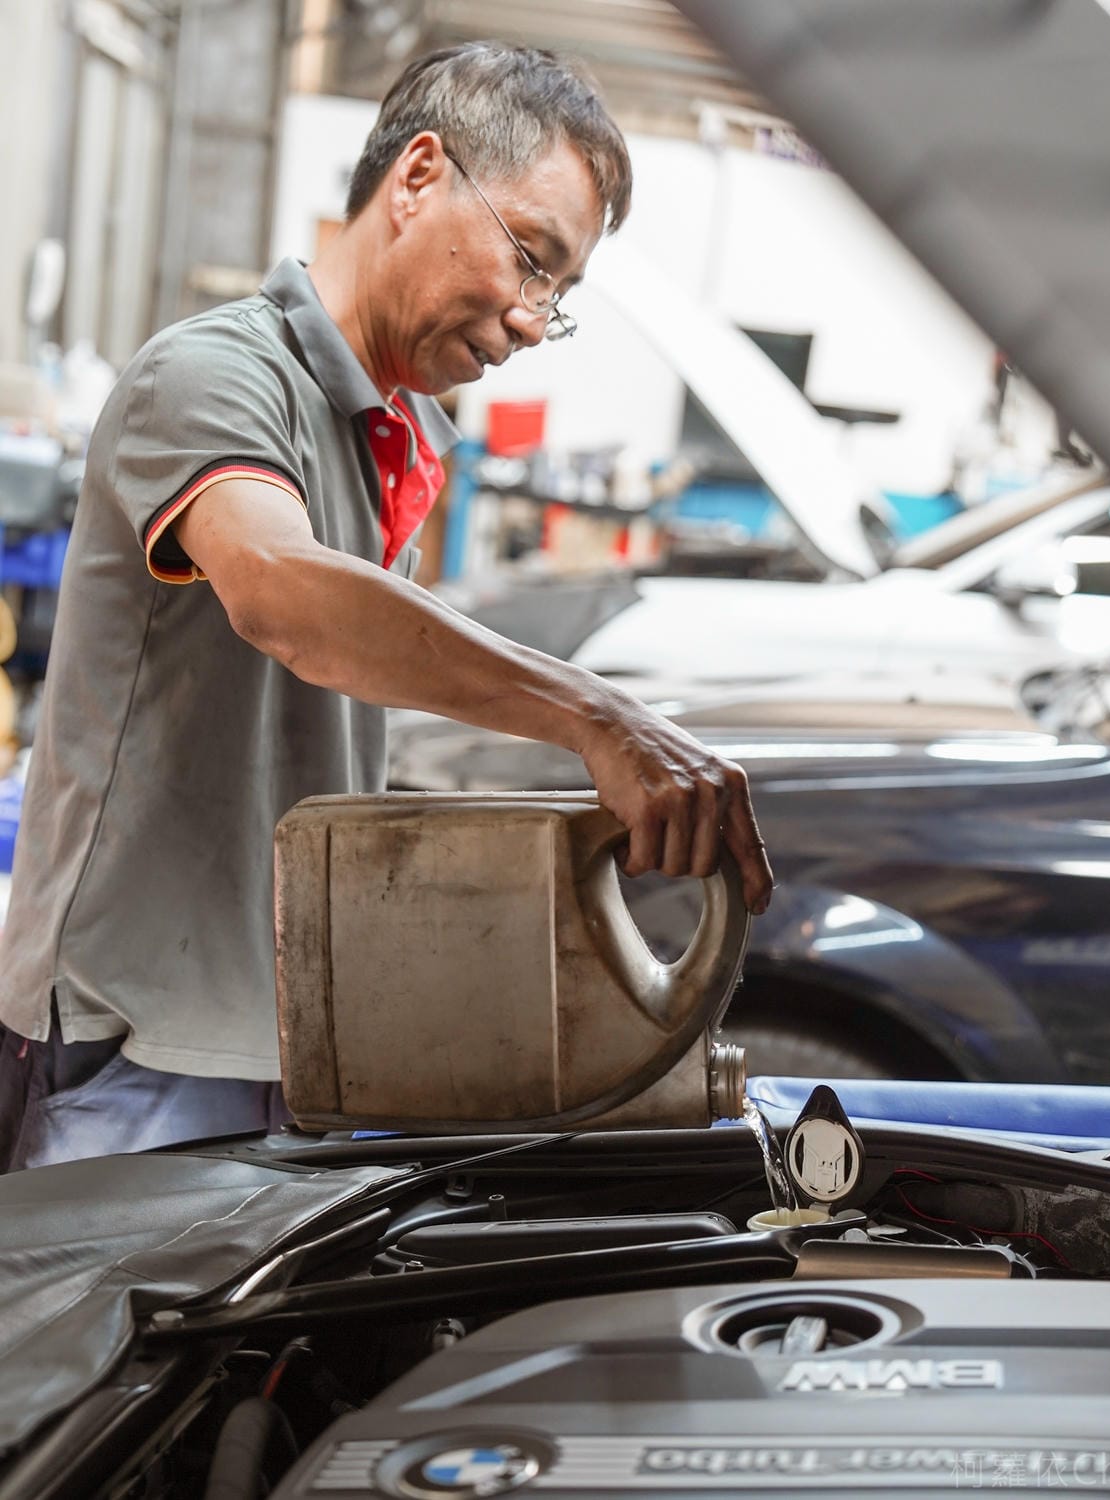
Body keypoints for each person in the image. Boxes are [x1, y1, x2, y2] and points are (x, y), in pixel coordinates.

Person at [0, 42, 772, 1172]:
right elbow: (283, 596)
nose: (526, 315)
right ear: (418, 176)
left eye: (556, 296)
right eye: (529, 256)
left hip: (277, 1046)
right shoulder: (216, 374)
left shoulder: (390, 434)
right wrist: (597, 718)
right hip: (139, 1048)